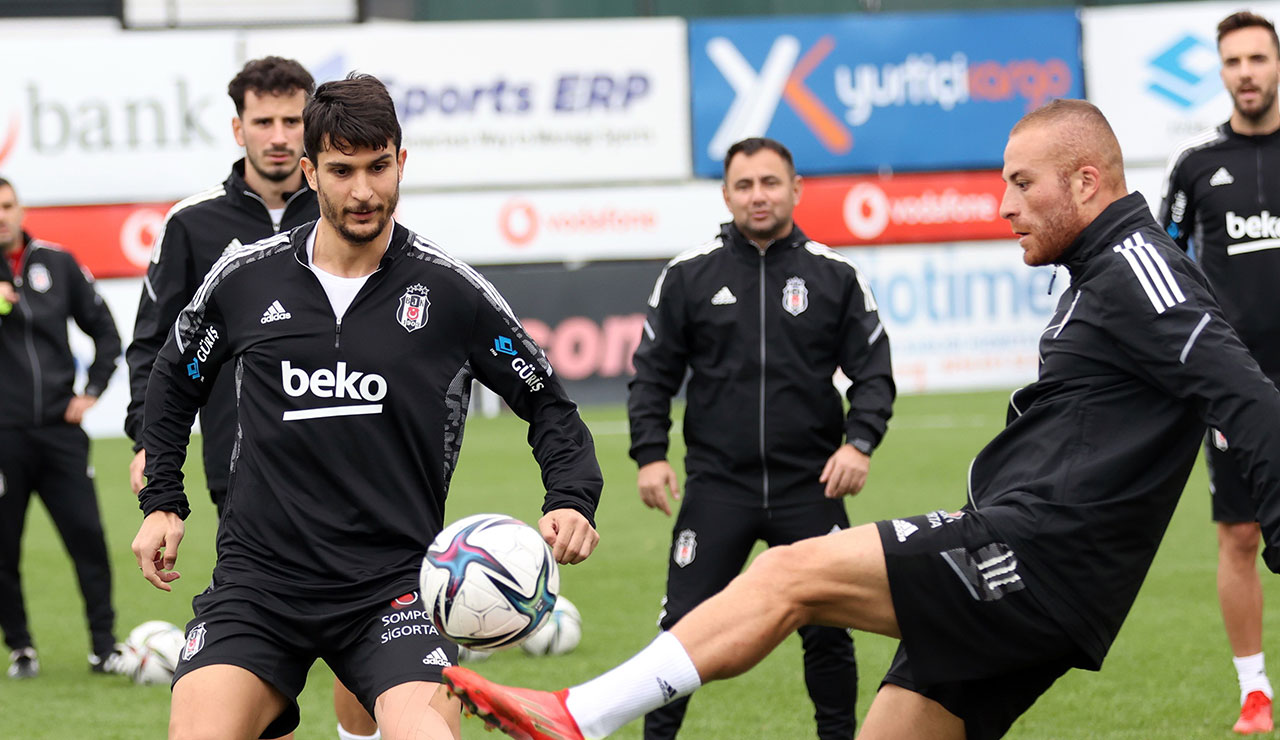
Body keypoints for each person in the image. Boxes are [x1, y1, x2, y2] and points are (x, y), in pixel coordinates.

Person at [442, 98, 1280, 740]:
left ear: (1087, 181)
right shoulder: (1100, 274)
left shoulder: (1139, 266)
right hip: (1040, 573)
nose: (1004, 204)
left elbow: (1250, 396)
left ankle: (578, 715)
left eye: (1022, 183)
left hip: (1035, 553)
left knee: (787, 577)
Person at [130, 73, 602, 740]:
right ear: (309, 172)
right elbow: (175, 377)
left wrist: (571, 497)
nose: (362, 191)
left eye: (378, 167)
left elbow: (549, 401)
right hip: (258, 586)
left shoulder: (450, 291)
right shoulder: (244, 280)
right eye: (341, 169)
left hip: (395, 588)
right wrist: (163, 501)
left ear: (401, 161)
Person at [124, 57, 379, 740]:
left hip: (358, 458)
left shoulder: (347, 210)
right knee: (265, 635)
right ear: (238, 127)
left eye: (292, 120)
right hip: (240, 465)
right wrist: (147, 439)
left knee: (368, 624)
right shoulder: (193, 224)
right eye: (263, 121)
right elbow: (156, 345)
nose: (278, 135)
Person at [627, 136, 893, 739]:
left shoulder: (835, 274)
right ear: (726, 194)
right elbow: (652, 374)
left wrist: (860, 443)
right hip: (718, 488)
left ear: (795, 189)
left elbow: (873, 371)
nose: (758, 195)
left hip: (810, 486)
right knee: (682, 632)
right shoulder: (688, 275)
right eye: (744, 185)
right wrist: (650, 455)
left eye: (771, 182)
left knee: (829, 631)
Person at [1158, 11, 1280, 734]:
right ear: (1221, 70)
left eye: (1258, 59)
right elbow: (1165, 272)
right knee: (1239, 536)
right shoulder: (1196, 167)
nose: (1247, 72)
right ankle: (1255, 691)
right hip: (1235, 385)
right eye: (1233, 61)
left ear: (1276, 63)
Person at [0, 176, 127, 679]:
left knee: (88, 538)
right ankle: (21, 648)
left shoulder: (56, 261)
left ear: (20, 207)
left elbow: (106, 332)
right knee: (4, 550)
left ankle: (104, 647)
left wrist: (91, 391)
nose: (1, 215)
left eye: (7, 205)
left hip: (59, 432)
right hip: (3, 437)